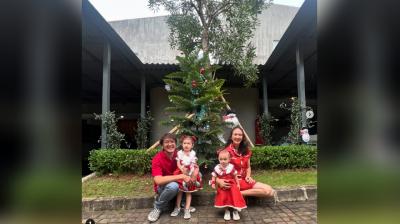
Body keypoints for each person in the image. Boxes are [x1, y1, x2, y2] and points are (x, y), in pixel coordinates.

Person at [216, 126, 276, 198]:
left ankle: (238, 194)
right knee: (267, 191)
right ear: (231, 137)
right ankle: (236, 193)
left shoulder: (246, 151)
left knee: (270, 190)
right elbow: (217, 170)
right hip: (234, 182)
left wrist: (248, 176)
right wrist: (219, 181)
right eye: (235, 134)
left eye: (240, 135)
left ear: (243, 137)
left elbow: (248, 167)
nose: (237, 137)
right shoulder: (226, 152)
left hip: (245, 180)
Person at [147, 133, 193, 222]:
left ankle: (183, 204)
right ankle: (157, 208)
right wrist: (180, 176)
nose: (170, 144)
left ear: (176, 144)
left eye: (172, 142)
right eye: (166, 142)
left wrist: (191, 172)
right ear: (162, 145)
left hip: (178, 183)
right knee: (173, 186)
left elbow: (189, 166)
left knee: (194, 177)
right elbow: (158, 180)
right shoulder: (157, 158)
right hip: (163, 187)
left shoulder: (179, 154)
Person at [170, 135, 202, 219]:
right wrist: (181, 169)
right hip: (181, 172)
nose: (186, 145)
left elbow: (194, 164)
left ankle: (187, 209)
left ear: (192, 145)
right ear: (182, 144)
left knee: (188, 192)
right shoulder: (180, 153)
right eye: (184, 143)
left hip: (190, 172)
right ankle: (177, 207)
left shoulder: (193, 154)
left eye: (188, 143)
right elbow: (178, 163)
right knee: (179, 192)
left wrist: (193, 173)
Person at [210, 149, 246, 221]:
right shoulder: (217, 168)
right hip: (223, 186)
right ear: (218, 159)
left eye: (225, 159)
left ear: (229, 159)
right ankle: (227, 211)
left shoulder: (231, 167)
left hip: (232, 185)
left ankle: (235, 210)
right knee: (225, 198)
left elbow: (235, 176)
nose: (223, 161)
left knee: (234, 197)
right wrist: (213, 183)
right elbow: (213, 176)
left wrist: (238, 184)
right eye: (221, 159)